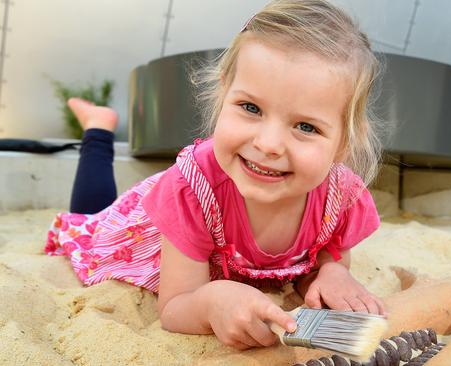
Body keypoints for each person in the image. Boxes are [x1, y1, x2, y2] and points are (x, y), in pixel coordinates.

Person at [45, 0, 386, 351]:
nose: (268, 144)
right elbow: (175, 307)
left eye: (305, 126)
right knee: (89, 218)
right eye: (250, 108)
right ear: (224, 93)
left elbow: (323, 258)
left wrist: (334, 273)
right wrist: (211, 301)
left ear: (345, 141)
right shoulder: (190, 191)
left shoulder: (340, 197)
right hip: (139, 235)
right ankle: (99, 129)